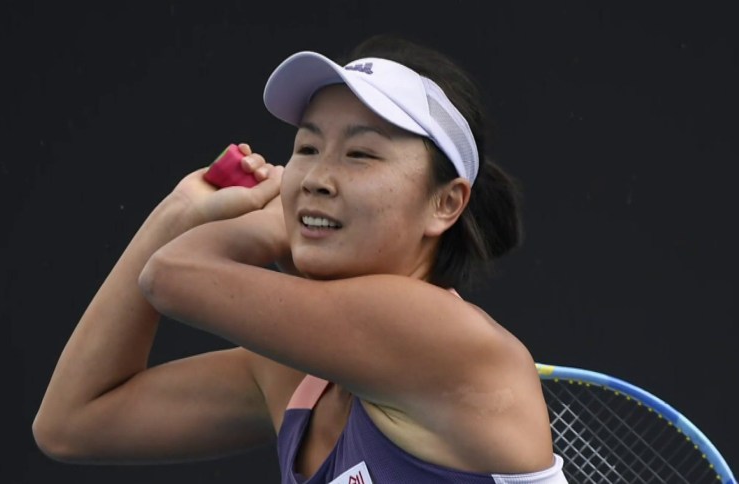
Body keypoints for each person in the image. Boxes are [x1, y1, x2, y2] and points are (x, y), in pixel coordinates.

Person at [33, 34, 568, 483]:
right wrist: (178, 210)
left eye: (360, 154)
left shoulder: (437, 334)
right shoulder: (298, 378)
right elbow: (72, 423)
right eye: (307, 149)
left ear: (445, 203)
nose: (315, 178)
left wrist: (271, 221)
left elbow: (172, 276)